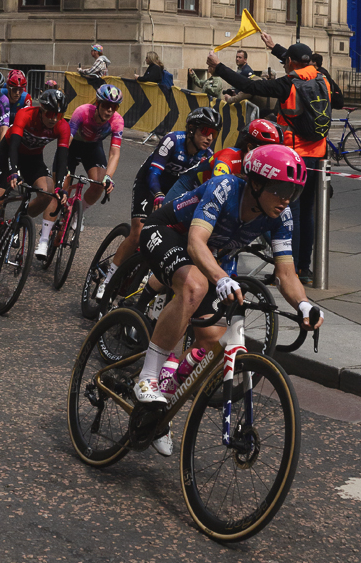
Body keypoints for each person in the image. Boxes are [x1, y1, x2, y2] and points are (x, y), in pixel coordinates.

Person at [133, 145, 322, 427]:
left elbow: (286, 272)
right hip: (167, 232)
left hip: (210, 254)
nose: (286, 200)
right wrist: (221, 278)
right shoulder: (225, 188)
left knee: (211, 342)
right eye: (280, 190)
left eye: (293, 192)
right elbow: (196, 243)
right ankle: (147, 377)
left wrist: (304, 304)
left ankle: (164, 399)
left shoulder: (280, 215)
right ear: (256, 182)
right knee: (195, 285)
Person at [207, 35, 331, 285]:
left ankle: (288, 273)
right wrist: (275, 48)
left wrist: (219, 68)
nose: (285, 64)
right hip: (319, 158)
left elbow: (251, 86)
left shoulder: (288, 84)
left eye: (287, 60)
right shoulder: (323, 79)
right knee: (308, 214)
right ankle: (304, 269)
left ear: (291, 63)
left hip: (294, 158)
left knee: (289, 215)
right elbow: (334, 98)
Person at [96, 106, 223, 302]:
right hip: (150, 184)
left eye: (213, 134)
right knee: (138, 234)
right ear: (191, 129)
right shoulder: (172, 141)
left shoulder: (207, 155)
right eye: (205, 131)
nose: (209, 138)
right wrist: (158, 194)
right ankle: (110, 277)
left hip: (175, 192)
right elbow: (154, 172)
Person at [0, 88, 71, 262]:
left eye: (58, 115)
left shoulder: (63, 127)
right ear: (42, 109)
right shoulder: (26, 114)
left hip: (33, 158)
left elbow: (61, 159)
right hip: (8, 153)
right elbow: (13, 146)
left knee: (47, 192)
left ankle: (17, 221)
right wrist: (13, 172)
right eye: (51, 113)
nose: (54, 119)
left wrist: (60, 186)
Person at [65, 83, 123, 217]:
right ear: (97, 103)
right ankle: (47, 232)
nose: (109, 110)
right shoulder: (82, 111)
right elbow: (66, 142)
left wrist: (108, 177)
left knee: (99, 185)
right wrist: (63, 166)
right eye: (105, 105)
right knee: (62, 185)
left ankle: (77, 215)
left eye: (113, 107)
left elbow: (114, 153)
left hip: (92, 147)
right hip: (73, 146)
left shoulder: (117, 121)